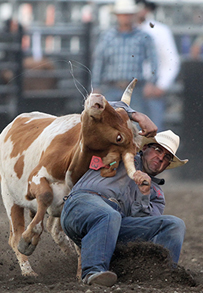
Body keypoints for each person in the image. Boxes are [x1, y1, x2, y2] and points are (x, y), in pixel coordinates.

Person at [61, 129, 188, 287]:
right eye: (158, 150)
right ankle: (93, 272)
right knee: (110, 214)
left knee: (174, 224)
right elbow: (102, 118)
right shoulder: (119, 154)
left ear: (168, 164)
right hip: (80, 206)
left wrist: (144, 194)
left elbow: (141, 231)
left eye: (167, 157)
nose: (161, 158)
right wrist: (135, 115)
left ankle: (163, 275)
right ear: (144, 148)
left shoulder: (156, 195)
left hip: (113, 226)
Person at [91, 0, 158, 113]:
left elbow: (153, 60)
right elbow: (99, 62)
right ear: (117, 16)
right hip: (111, 86)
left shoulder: (143, 37)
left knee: (135, 124)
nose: (125, 17)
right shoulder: (107, 36)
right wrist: (95, 86)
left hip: (134, 89)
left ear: (134, 15)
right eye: (123, 14)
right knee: (110, 124)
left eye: (128, 14)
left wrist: (151, 82)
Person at [136, 0, 180, 130]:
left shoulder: (159, 31)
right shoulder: (124, 31)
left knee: (153, 132)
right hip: (131, 87)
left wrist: (161, 85)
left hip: (152, 87)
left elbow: (171, 60)